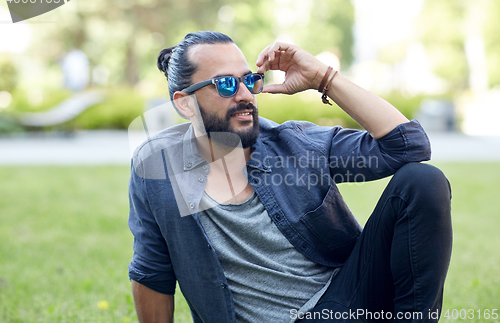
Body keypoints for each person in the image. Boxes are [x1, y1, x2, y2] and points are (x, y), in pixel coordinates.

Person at [128, 31, 452, 323]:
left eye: (249, 80)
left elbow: (407, 146)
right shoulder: (158, 172)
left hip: (349, 301)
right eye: (226, 84)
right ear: (184, 103)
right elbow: (152, 273)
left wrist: (323, 78)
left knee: (423, 182)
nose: (244, 95)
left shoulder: (294, 144)